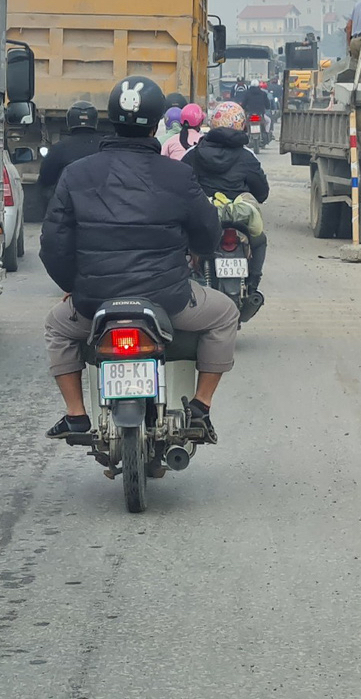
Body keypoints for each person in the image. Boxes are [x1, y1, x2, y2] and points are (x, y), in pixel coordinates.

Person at [40, 76, 242, 444]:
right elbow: (208, 235)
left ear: (110, 119)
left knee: (57, 326)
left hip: (92, 301)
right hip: (169, 300)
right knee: (227, 313)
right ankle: (200, 406)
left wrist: (73, 286)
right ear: (156, 124)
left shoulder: (76, 174)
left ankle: (75, 415)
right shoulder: (179, 174)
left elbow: (53, 244)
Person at [185, 100, 272, 294]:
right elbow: (262, 193)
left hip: (204, 218)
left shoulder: (194, 153)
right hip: (239, 218)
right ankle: (253, 282)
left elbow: (179, 187)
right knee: (260, 240)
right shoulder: (248, 156)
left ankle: (185, 280)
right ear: (242, 125)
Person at [34, 100, 105, 201]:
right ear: (95, 121)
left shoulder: (59, 148)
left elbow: (46, 179)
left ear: (69, 121)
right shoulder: (104, 147)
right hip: (102, 206)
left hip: (68, 207)